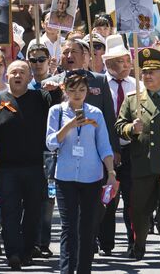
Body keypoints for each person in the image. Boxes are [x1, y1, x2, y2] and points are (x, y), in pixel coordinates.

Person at [0, 60, 51, 268]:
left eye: (22, 72)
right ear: (6, 77)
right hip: (7, 169)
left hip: (35, 167)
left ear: (29, 77)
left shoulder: (40, 98)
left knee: (33, 212)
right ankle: (12, 253)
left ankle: (27, 250)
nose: (17, 75)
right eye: (13, 72)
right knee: (9, 212)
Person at [116, 48, 160, 266]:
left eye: (152, 71)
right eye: (144, 71)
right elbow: (118, 125)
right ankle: (139, 245)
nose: (147, 75)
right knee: (139, 211)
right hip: (142, 163)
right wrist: (130, 129)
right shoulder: (133, 98)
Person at [46, 70, 116, 274]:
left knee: (87, 227)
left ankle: (84, 269)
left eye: (82, 90)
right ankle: (66, 270)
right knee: (68, 227)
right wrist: (68, 126)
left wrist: (110, 172)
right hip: (65, 175)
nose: (77, 94)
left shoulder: (95, 113)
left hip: (91, 175)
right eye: (73, 89)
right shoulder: (56, 112)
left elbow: (104, 145)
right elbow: (50, 143)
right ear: (64, 90)